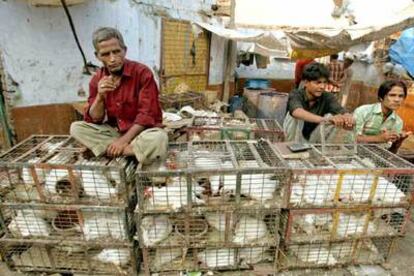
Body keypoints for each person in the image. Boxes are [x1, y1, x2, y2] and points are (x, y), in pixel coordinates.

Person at [70, 27, 168, 166]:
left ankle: (111, 151)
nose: (112, 59)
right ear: (97, 56)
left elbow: (146, 115)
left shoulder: (142, 73)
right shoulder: (97, 79)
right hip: (116, 133)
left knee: (159, 137)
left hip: (142, 133)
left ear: (124, 50)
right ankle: (134, 152)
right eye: (105, 54)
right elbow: (95, 119)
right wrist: (100, 96)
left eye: (116, 52)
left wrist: (122, 142)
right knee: (76, 128)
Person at [283, 62, 355, 142]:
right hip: (294, 135)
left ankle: (322, 150)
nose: (322, 86)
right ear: (306, 82)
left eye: (325, 82)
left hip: (314, 136)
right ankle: (291, 146)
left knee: (336, 117)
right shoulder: (296, 94)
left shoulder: (327, 97)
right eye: (318, 83)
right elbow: (296, 111)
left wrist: (348, 118)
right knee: (294, 117)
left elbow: (340, 110)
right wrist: (325, 120)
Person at [352, 80, 412, 152]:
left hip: (376, 159)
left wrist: (398, 143)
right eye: (392, 95)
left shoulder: (398, 122)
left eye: (401, 96)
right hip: (353, 154)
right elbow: (351, 139)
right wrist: (379, 138)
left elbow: (390, 153)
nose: (397, 100)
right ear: (381, 97)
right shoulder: (363, 111)